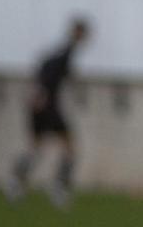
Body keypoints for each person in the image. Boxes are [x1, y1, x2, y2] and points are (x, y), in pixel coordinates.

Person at [6, 17, 90, 209]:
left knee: (36, 147)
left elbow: (46, 69)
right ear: (78, 33)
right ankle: (59, 187)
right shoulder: (65, 53)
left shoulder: (62, 53)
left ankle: (16, 181)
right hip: (48, 106)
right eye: (83, 33)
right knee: (69, 147)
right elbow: (49, 72)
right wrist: (42, 93)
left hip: (41, 104)